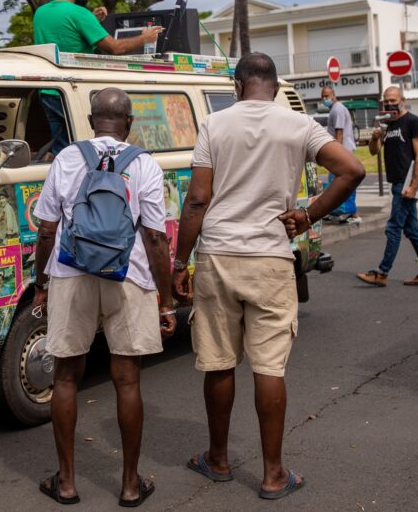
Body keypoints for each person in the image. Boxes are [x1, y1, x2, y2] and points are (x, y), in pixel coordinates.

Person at [171, 53, 365, 500]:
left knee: (219, 361)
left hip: (219, 254)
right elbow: (351, 169)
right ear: (275, 88)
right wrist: (309, 215)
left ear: (237, 85)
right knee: (269, 366)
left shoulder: (215, 125)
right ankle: (273, 474)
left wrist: (180, 263)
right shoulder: (298, 124)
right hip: (273, 258)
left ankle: (217, 458)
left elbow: (198, 200)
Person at [31, 87, 177, 506]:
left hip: (71, 273)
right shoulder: (145, 164)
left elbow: (46, 229)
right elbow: (153, 237)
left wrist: (42, 284)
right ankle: (131, 485)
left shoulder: (67, 158)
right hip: (128, 274)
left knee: (64, 378)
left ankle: (68, 482)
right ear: (128, 123)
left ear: (91, 121)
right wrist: (164, 299)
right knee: (127, 381)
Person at [32, 0, 162, 159]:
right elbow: (115, 48)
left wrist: (92, 21)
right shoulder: (79, 13)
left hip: (49, 91)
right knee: (85, 152)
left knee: (63, 147)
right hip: (75, 91)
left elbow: (66, 39)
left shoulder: (41, 13)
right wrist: (145, 38)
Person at [357, 86, 418, 287]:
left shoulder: (412, 121)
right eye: (386, 101)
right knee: (412, 229)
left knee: (394, 228)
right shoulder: (387, 124)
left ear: (402, 99)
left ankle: (382, 273)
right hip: (396, 182)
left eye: (393, 100)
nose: (389, 104)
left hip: (405, 182)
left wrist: (414, 186)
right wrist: (376, 137)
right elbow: (374, 151)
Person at [321, 85, 360, 224]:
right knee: (337, 181)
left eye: (327, 96)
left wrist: (336, 153)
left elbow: (339, 133)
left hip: (343, 150)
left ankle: (351, 212)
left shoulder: (337, 109)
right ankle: (340, 210)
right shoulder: (336, 109)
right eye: (323, 96)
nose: (325, 99)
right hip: (344, 150)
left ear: (333, 94)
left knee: (341, 181)